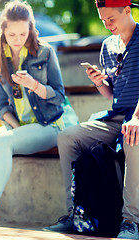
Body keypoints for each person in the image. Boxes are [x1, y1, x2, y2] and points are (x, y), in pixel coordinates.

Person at [44, 0, 139, 238]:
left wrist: (136, 117)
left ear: (127, 11)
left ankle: (131, 221)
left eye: (111, 19)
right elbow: (113, 93)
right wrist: (100, 82)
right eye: (103, 20)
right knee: (67, 137)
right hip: (117, 116)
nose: (107, 25)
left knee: (132, 137)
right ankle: (76, 215)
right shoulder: (108, 45)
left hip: (136, 117)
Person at [0, 0, 66, 226]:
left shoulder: (45, 53)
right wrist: (18, 130)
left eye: (23, 33)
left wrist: (34, 85)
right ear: (3, 33)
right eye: (12, 35)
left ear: (31, 29)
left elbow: (59, 96)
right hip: (21, 126)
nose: (18, 40)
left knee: (4, 140)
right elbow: (3, 107)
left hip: (49, 124)